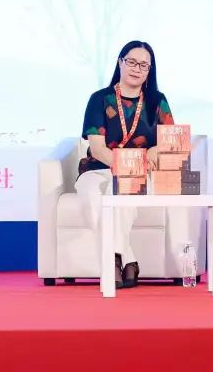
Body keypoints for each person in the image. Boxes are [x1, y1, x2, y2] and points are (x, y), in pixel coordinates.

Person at [77, 40, 174, 289]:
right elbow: (97, 148)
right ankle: (125, 258)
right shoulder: (100, 99)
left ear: (149, 71)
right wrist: (123, 164)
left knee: (121, 189)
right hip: (98, 167)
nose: (136, 68)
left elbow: (170, 140)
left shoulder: (157, 101)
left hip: (138, 172)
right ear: (120, 62)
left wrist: (151, 151)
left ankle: (113, 263)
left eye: (143, 65)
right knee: (89, 194)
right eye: (131, 61)